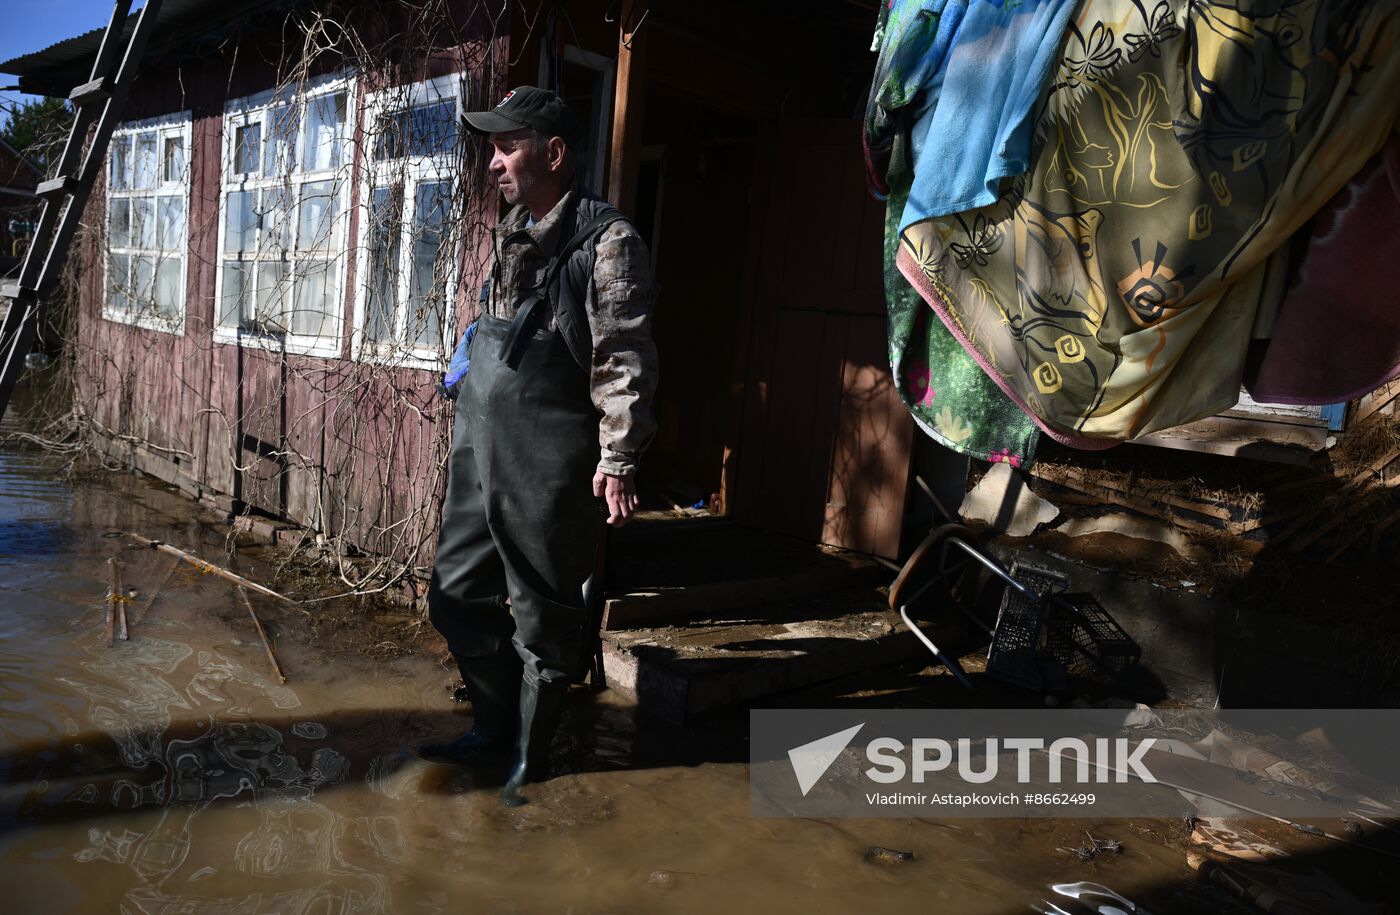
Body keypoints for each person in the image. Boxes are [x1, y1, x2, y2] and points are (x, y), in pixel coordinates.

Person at [421, 86, 658, 807]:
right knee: (456, 592)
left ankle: (529, 757)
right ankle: (494, 726)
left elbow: (623, 359)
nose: (493, 162)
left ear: (553, 153)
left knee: (543, 614)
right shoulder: (513, 230)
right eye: (492, 147)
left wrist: (617, 459)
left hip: (549, 454)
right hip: (482, 448)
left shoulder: (609, 244)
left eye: (507, 145)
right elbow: (499, 332)